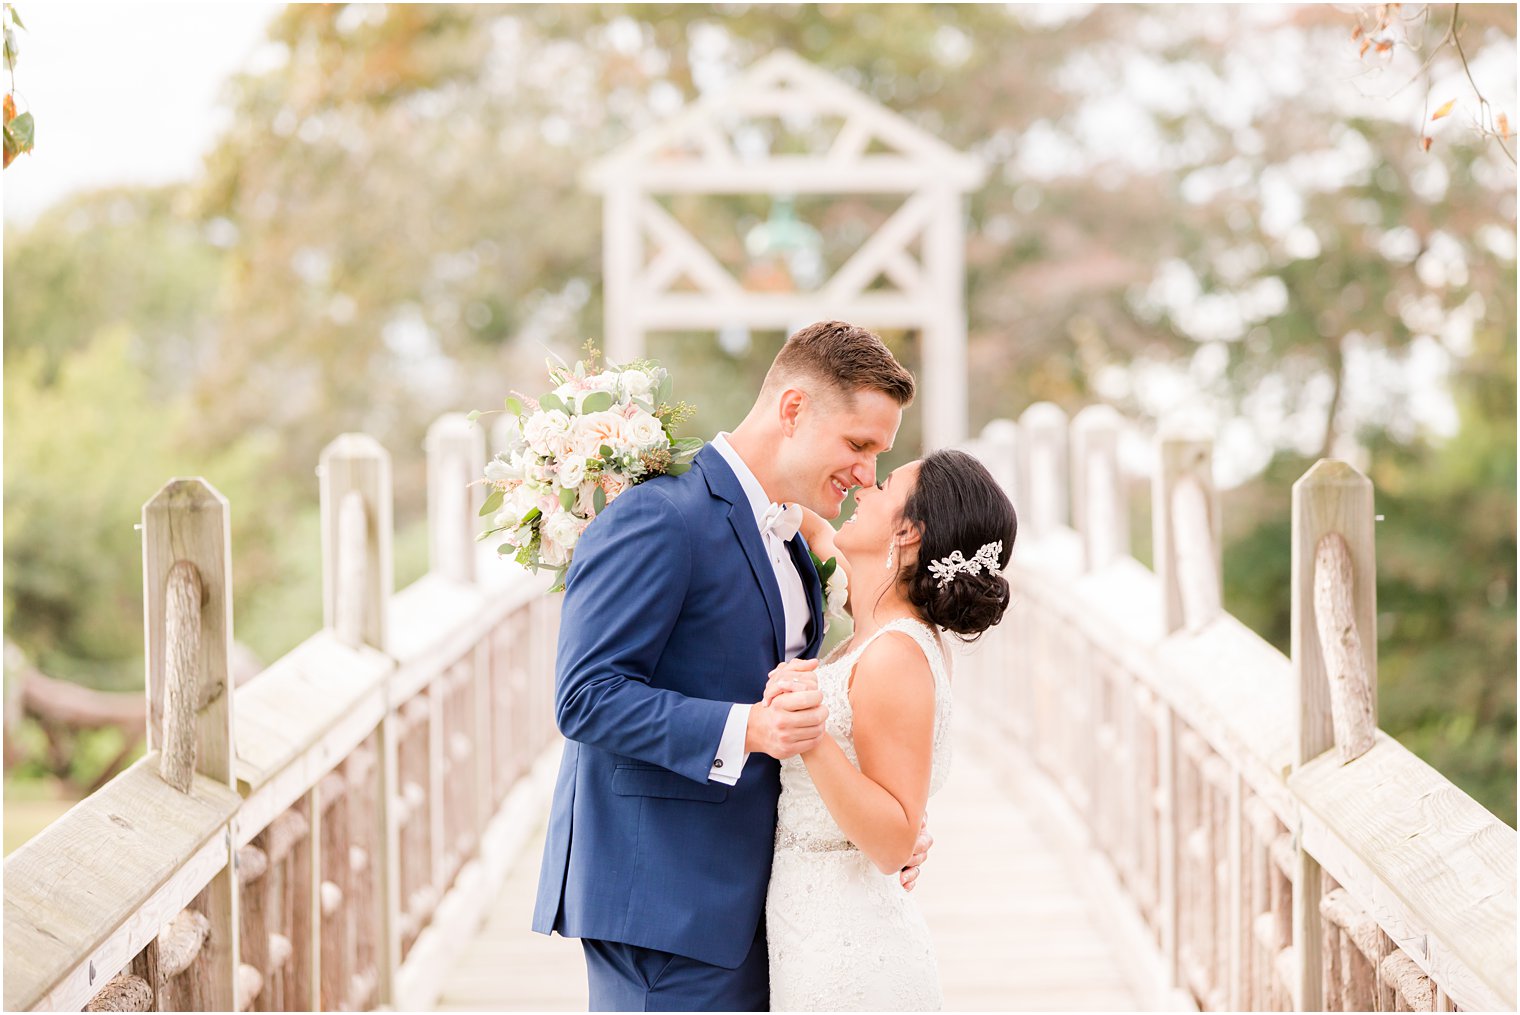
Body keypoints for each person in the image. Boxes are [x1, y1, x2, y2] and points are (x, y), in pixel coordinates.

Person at [532, 321, 929, 1011]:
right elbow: (586, 696)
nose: (868, 474)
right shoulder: (660, 516)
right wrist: (747, 727)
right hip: (666, 906)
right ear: (794, 409)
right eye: (859, 444)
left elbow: (803, 711)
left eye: (879, 455)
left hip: (758, 906)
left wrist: (878, 822)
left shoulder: (791, 539)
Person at [764, 448, 1018, 1011]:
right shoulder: (879, 619)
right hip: (812, 926)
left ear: (907, 531)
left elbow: (893, 841)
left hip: (846, 950)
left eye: (884, 486)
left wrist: (809, 733)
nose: (865, 487)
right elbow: (818, 532)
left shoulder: (896, 654)